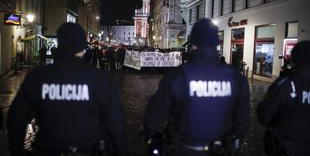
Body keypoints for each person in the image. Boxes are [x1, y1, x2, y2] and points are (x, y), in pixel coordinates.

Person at [7, 23, 128, 156]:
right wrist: (119, 151)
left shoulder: (38, 77)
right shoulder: (100, 79)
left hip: (47, 150)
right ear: (83, 47)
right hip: (87, 150)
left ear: (60, 44)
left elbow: (16, 118)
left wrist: (16, 151)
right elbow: (116, 123)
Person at [144, 18, 250, 156]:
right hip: (220, 150)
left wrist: (154, 136)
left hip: (183, 149)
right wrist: (233, 143)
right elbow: (243, 120)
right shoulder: (235, 77)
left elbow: (154, 116)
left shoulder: (178, 75)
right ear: (215, 44)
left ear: (193, 44)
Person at [257, 40, 310, 156]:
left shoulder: (288, 83)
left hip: (287, 147)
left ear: (295, 58)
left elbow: (265, 115)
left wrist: (261, 106)